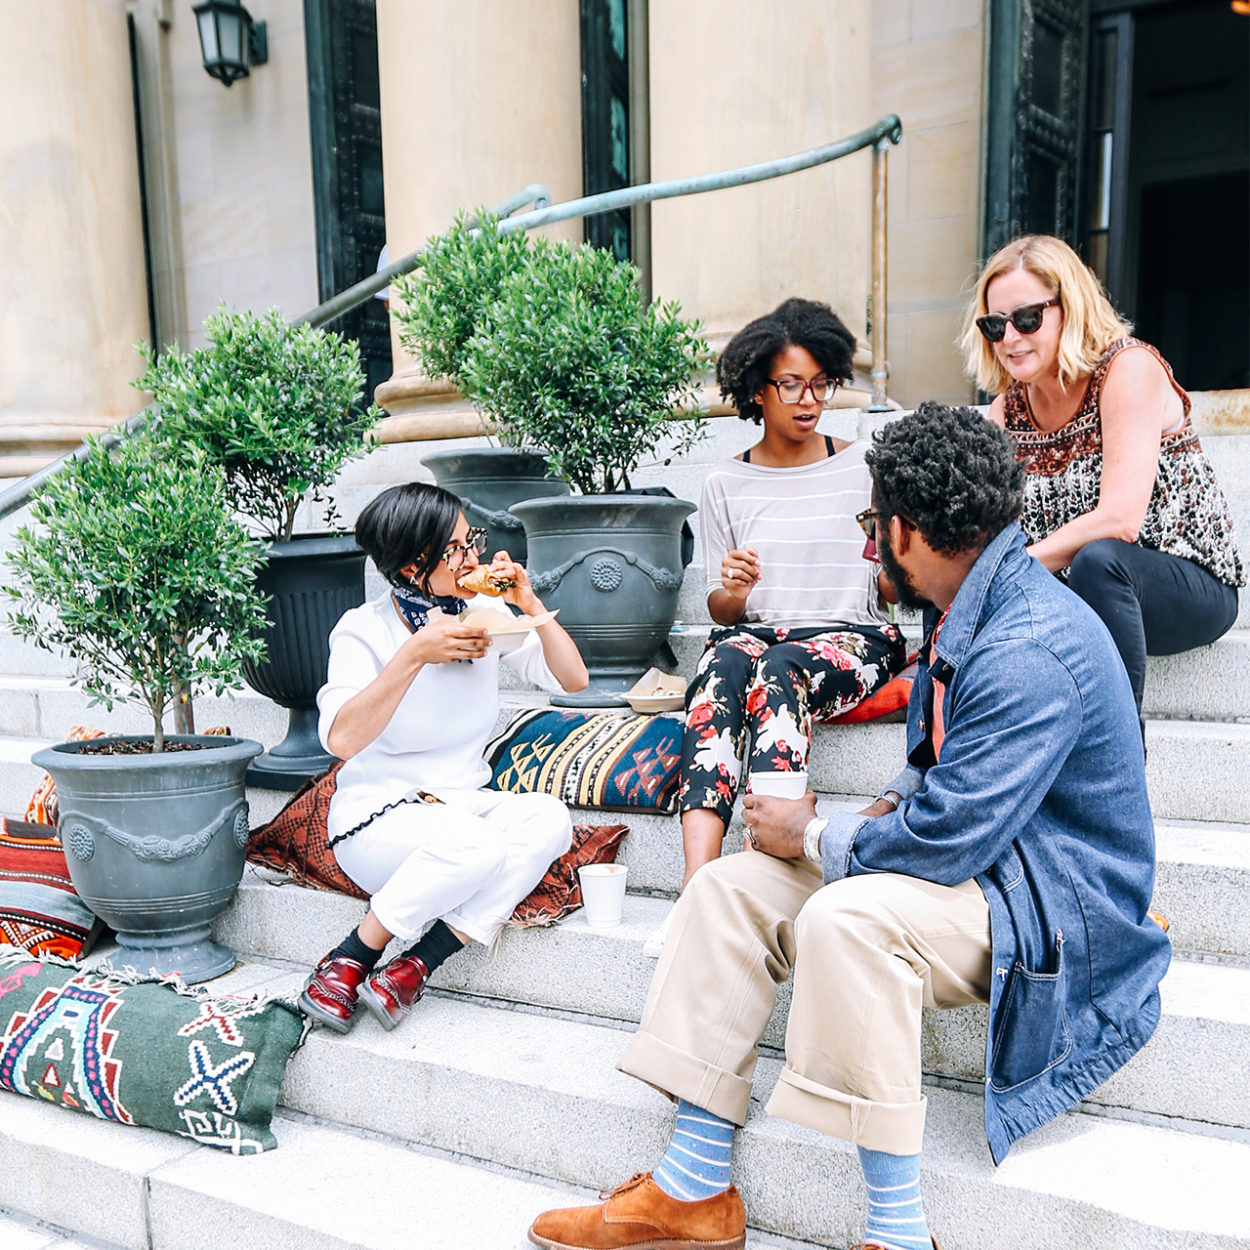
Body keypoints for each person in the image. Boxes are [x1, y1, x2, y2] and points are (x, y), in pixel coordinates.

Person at [527, 403, 1170, 1250]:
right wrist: (874, 807)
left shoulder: (1031, 643)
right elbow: (939, 766)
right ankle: (692, 1188)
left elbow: (949, 838)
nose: (868, 545)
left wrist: (817, 835)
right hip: (986, 870)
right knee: (730, 888)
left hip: (1054, 904)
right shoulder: (967, 603)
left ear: (911, 531)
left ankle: (898, 1235)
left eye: (873, 523)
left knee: (845, 917)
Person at [645, 297, 905, 958]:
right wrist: (733, 591)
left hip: (852, 636)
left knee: (782, 666)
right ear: (757, 389)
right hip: (762, 636)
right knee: (725, 659)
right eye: (793, 384)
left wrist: (886, 566)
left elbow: (896, 586)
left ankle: (772, 854)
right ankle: (696, 887)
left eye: (822, 383)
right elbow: (722, 612)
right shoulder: (725, 483)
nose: (810, 399)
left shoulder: (865, 465)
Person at [298, 482, 589, 1033]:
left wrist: (528, 603)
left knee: (549, 819)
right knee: (475, 846)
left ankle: (412, 967)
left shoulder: (481, 614)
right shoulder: (365, 630)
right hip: (379, 819)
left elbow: (573, 679)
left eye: (470, 540)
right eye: (456, 549)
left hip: (460, 806)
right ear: (413, 566)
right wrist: (413, 655)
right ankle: (348, 959)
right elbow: (340, 740)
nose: (473, 557)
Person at [964, 233, 1243, 721]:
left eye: (1027, 318)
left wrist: (1010, 571)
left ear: (1069, 308)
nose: (1010, 338)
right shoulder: (1004, 413)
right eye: (995, 324)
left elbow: (1120, 520)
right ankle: (932, 765)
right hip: (1075, 588)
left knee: (1099, 561)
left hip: (1185, 582)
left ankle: (1119, 756)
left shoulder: (1127, 369)